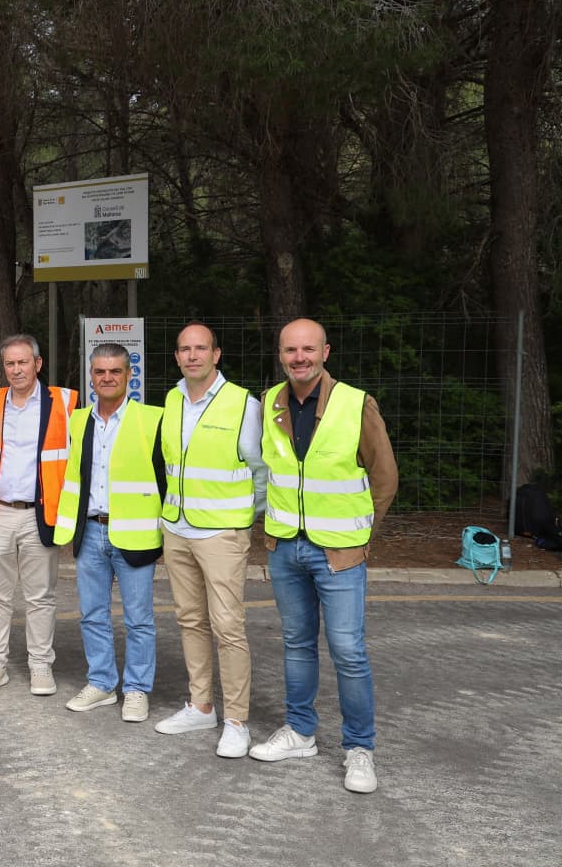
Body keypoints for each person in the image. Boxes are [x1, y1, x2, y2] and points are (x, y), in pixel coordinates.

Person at [248, 318, 397, 795]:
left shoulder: (357, 403)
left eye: (308, 349)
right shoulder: (270, 401)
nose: (299, 358)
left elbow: (385, 477)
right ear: (280, 353)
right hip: (285, 546)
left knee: (349, 652)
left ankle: (359, 749)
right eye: (290, 350)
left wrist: (360, 534)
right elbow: (268, 469)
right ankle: (300, 732)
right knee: (296, 644)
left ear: (326, 352)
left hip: (339, 552)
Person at [152, 323, 268, 758]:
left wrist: (241, 520)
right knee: (190, 621)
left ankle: (236, 720)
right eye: (185, 349)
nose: (193, 355)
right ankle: (201, 705)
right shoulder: (173, 398)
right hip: (177, 529)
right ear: (177, 356)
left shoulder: (244, 404)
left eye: (201, 348)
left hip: (221, 532)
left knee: (228, 627)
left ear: (216, 355)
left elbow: (262, 472)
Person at [54, 343, 166, 723]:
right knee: (92, 615)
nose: (107, 378)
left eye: (115, 372)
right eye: (100, 372)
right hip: (89, 532)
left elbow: (164, 480)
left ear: (128, 375)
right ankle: (102, 683)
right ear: (91, 376)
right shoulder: (78, 420)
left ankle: (136, 690)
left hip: (134, 534)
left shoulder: (152, 419)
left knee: (139, 619)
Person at [0, 334, 79, 696]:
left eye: (22, 362)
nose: (16, 370)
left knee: (40, 596)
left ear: (38, 363)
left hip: (40, 514)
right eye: (9, 364)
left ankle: (39, 666)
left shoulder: (63, 403)